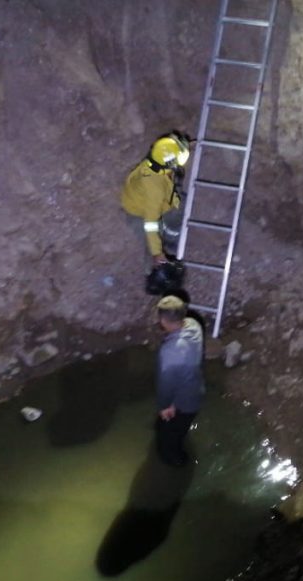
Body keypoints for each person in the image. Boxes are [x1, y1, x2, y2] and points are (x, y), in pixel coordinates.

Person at [120, 132, 191, 270]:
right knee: (152, 240)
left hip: (140, 198)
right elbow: (151, 222)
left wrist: (182, 145)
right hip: (139, 212)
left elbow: (167, 146)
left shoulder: (156, 159)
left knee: (180, 204)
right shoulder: (155, 188)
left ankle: (170, 235)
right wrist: (157, 252)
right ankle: (155, 267)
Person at [154, 295, 204, 467]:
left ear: (162, 320)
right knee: (171, 428)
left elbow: (166, 385)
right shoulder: (193, 324)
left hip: (184, 402)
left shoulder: (170, 353)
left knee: (169, 440)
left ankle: (176, 461)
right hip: (195, 387)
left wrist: (164, 406)